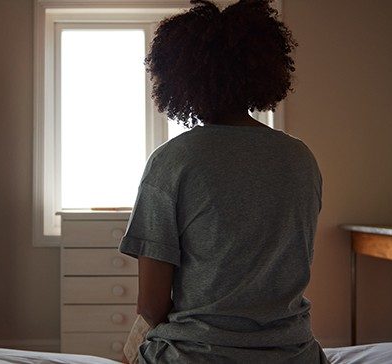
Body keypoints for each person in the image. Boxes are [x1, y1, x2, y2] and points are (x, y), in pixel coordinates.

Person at [118, 0, 328, 362]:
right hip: (295, 355)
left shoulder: (172, 161)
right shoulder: (300, 159)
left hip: (195, 356)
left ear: (179, 80)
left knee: (128, 349)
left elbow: (151, 306)